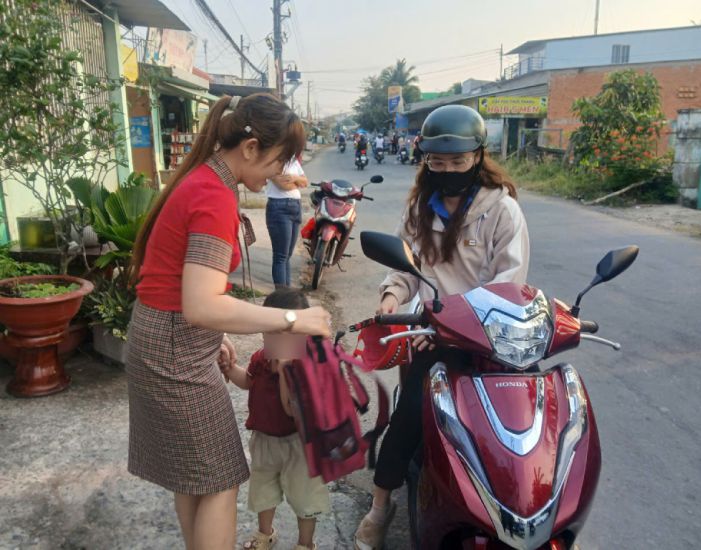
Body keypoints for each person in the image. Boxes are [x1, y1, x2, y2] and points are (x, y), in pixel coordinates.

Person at [126, 93, 331, 550]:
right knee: (220, 478)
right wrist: (293, 318)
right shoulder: (214, 196)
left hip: (164, 340)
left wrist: (211, 335)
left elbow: (194, 294)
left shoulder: (202, 181)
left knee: (193, 476)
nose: (280, 174)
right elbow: (202, 305)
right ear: (252, 147)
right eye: (278, 161)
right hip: (175, 350)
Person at [353, 105, 530, 549]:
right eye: (438, 161)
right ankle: (380, 505)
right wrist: (391, 297)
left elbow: (510, 281)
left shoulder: (502, 210)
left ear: (477, 157)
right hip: (433, 335)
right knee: (409, 416)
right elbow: (404, 267)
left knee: (517, 425)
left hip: (490, 337)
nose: (447, 169)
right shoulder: (418, 207)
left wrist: (468, 317)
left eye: (457, 161)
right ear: (426, 159)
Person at [221, 288, 330, 550]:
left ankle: (305, 544)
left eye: (284, 336)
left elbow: (292, 409)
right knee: (263, 491)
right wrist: (228, 368)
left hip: (299, 446)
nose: (273, 341)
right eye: (268, 332)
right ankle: (265, 534)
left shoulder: (304, 366)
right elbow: (248, 381)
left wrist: (284, 373)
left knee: (305, 498)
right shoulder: (261, 357)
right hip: (264, 439)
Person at [266, 154, 308, 288]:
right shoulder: (273, 159)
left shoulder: (293, 161)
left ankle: (286, 293)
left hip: (295, 207)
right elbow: (284, 186)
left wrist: (294, 178)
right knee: (281, 256)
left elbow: (305, 182)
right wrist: (297, 183)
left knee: (287, 256)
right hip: (279, 208)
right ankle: (281, 298)